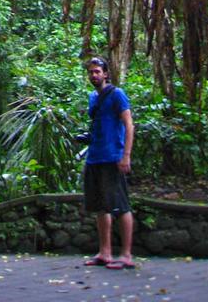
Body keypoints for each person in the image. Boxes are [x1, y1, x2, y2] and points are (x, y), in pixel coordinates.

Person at [82, 55, 135, 270]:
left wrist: (126, 155)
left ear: (105, 74)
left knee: (120, 205)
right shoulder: (93, 97)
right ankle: (105, 253)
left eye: (97, 71)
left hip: (113, 157)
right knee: (100, 207)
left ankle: (126, 255)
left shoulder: (117, 95)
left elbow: (129, 125)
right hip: (94, 156)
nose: (94, 75)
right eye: (91, 72)